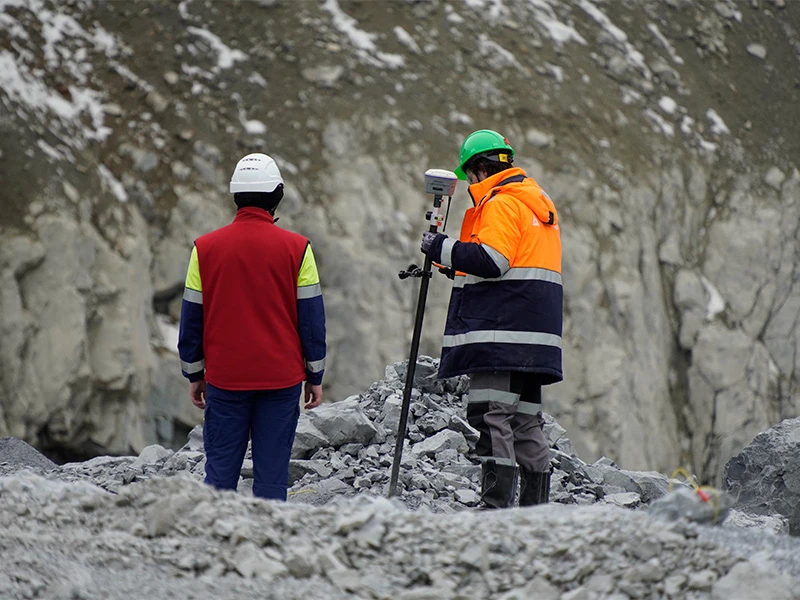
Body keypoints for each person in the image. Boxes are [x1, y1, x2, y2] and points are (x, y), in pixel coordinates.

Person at [420, 129, 563, 508]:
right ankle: (536, 511)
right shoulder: (535, 203)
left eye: (469, 175)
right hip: (536, 339)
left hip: (503, 333)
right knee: (525, 422)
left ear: (480, 169)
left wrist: (441, 246)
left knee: (490, 414)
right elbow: (511, 264)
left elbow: (493, 261)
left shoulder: (501, 203)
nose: (469, 183)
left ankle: (496, 508)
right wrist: (453, 262)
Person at [178, 153, 326, 501]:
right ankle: (267, 548)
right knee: (272, 477)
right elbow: (312, 320)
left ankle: (216, 544)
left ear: (235, 196)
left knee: (219, 476)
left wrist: (194, 373)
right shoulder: (298, 249)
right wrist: (314, 375)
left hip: (226, 380)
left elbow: (191, 319)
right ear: (277, 195)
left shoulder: (205, 248)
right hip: (281, 380)